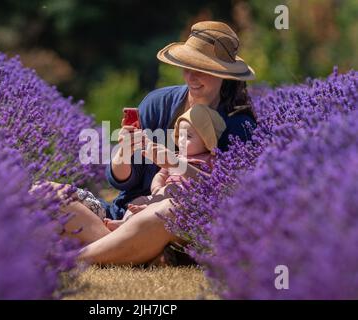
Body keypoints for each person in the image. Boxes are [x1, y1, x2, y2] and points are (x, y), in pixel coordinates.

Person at [37, 21, 257, 265]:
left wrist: (172, 162)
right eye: (187, 67)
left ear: (223, 74)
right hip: (123, 214)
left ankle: (75, 258)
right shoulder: (158, 103)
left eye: (201, 69)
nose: (191, 77)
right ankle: (128, 250)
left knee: (173, 209)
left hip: (175, 223)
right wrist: (124, 152)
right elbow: (123, 180)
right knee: (43, 195)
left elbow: (225, 196)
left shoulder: (239, 127)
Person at [103, 104, 226, 231]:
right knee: (138, 201)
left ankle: (141, 215)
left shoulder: (211, 160)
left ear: (207, 140)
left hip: (181, 200)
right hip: (162, 193)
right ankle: (124, 221)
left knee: (162, 206)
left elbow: (215, 183)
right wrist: (156, 188)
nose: (182, 140)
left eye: (188, 136)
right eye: (181, 135)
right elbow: (161, 175)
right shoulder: (175, 155)